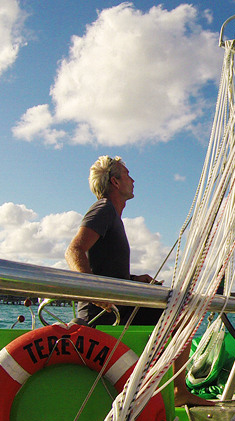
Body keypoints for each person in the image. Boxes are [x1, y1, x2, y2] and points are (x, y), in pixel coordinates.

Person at [66, 156, 212, 407]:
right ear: (115, 181)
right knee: (184, 312)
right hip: (104, 312)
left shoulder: (112, 215)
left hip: (119, 304)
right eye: (128, 174)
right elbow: (74, 251)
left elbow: (103, 266)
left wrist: (134, 280)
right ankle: (178, 391)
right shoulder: (103, 209)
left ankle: (172, 388)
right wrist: (94, 293)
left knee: (182, 308)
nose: (133, 180)